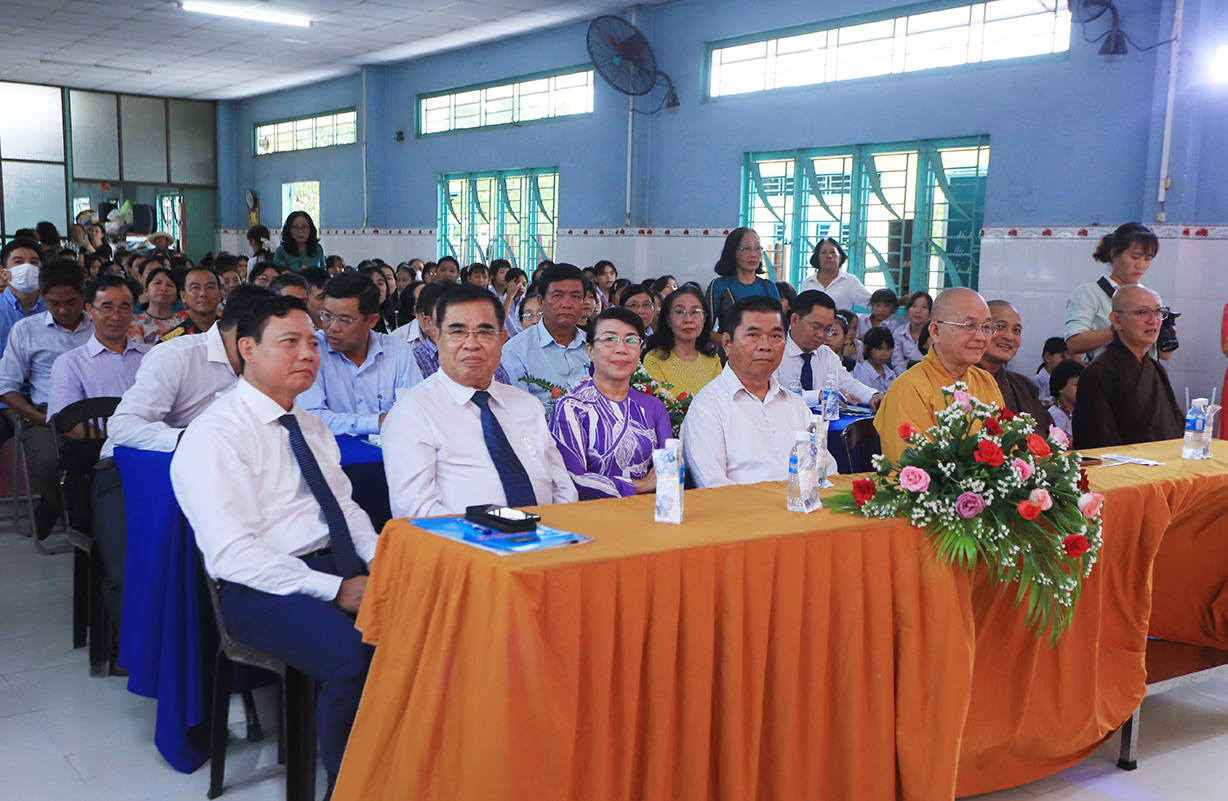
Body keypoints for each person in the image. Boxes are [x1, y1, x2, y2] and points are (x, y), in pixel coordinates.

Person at [171, 294, 377, 796]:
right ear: (248, 349)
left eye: (313, 343)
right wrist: (336, 590)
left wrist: (382, 561)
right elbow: (234, 554)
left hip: (335, 565)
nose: (308, 353)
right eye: (289, 342)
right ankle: (349, 787)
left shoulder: (310, 425)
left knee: (433, 626)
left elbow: (345, 508)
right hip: (262, 587)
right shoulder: (215, 435)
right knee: (355, 658)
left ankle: (411, 768)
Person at [382, 283, 577, 517]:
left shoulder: (527, 405)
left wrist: (554, 529)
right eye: (457, 332)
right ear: (436, 336)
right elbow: (416, 510)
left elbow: (563, 488)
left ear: (502, 339)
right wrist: (504, 533)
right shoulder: (412, 414)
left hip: (550, 532)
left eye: (484, 332)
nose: (471, 344)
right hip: (463, 538)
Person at [684, 296, 837, 487]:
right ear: (727, 344)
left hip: (804, 504)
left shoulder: (795, 404)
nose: (765, 346)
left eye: (775, 336)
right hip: (745, 505)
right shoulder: (708, 407)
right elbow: (713, 487)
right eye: (753, 335)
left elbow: (827, 473)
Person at [0, 259, 95, 539]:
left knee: (106, 458)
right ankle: (79, 520)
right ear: (42, 295)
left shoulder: (99, 326)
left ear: (84, 295)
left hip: (95, 413)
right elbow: (5, 386)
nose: (63, 310)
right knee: (50, 465)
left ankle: (56, 506)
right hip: (45, 415)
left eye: (71, 303)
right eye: (54, 303)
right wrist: (38, 417)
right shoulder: (27, 330)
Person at [549, 308, 671, 500]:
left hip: (648, 510)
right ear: (590, 350)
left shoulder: (654, 407)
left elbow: (668, 471)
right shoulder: (572, 406)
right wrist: (641, 485)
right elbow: (572, 478)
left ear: (640, 350)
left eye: (631, 340)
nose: (621, 349)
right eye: (610, 339)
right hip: (592, 512)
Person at [875, 287, 1005, 461]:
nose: (981, 337)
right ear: (936, 331)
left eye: (987, 327)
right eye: (969, 326)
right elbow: (912, 463)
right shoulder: (909, 387)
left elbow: (1005, 449)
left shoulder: (986, 381)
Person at [299, 272, 422, 437]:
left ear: (371, 321)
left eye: (345, 320)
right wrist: (377, 422)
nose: (333, 327)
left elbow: (416, 409)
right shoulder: (312, 350)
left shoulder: (397, 350)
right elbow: (309, 418)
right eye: (327, 316)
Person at [1072, 284, 1183, 449]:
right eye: (1142, 312)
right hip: (1125, 464)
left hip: (1164, 463)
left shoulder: (1156, 369)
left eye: (1158, 312)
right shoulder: (1100, 371)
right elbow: (1096, 439)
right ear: (1116, 320)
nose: (1153, 320)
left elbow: (1174, 426)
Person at [1065, 222, 1166, 363]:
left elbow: (1164, 355)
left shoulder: (1152, 297)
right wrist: (1120, 327)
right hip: (1105, 374)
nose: (1141, 265)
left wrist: (1165, 333)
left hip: (1145, 374)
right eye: (1135, 257)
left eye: (1147, 259)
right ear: (1114, 255)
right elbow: (1074, 344)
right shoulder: (1090, 293)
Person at [774, 290, 884, 410]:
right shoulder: (773, 352)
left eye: (828, 330)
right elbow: (774, 395)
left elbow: (848, 384)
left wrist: (873, 395)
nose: (822, 335)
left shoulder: (826, 354)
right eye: (815, 327)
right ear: (794, 320)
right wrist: (819, 396)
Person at [501, 264, 592, 403]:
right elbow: (516, 409)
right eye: (557, 296)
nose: (567, 304)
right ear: (541, 301)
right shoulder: (516, 351)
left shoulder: (595, 347)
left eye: (575, 296)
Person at [977, 300, 1054, 436]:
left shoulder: (1025, 386)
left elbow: (1048, 436)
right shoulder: (958, 382)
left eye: (1016, 330)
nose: (1009, 337)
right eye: (1000, 326)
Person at [643, 286, 723, 397]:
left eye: (695, 312)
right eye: (680, 312)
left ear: (704, 318)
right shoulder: (654, 360)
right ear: (668, 319)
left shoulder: (713, 360)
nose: (688, 319)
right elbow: (657, 404)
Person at [704, 227, 780, 329]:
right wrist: (728, 338)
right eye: (746, 248)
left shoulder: (769, 287)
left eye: (757, 248)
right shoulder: (720, 285)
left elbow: (779, 326)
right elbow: (704, 329)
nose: (753, 254)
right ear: (732, 252)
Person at [0, 238, 48, 356]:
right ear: (4, 273)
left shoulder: (53, 310)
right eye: (19, 262)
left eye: (34, 262)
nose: (27, 267)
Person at [799, 237, 872, 312]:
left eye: (833, 252)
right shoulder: (807, 283)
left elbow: (871, 303)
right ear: (817, 258)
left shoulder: (850, 281)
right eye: (824, 252)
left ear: (840, 257)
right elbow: (801, 309)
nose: (829, 256)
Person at [158, 267, 222, 342]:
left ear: (220, 295)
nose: (203, 294)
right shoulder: (171, 341)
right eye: (195, 288)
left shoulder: (232, 333)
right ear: (183, 296)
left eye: (210, 287)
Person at [128, 267, 186, 344]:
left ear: (176, 295)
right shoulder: (133, 321)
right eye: (157, 283)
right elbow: (138, 349)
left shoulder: (184, 321)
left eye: (170, 285)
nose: (163, 288)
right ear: (146, 291)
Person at [892, 291, 932, 372]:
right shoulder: (899, 333)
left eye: (924, 307)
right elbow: (897, 363)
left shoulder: (934, 334)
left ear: (930, 313)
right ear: (907, 311)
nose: (918, 311)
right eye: (914, 306)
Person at [852, 326, 898, 394]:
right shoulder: (859, 372)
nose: (884, 354)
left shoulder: (891, 374)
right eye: (879, 349)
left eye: (888, 349)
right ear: (866, 348)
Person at [1047, 359, 1082, 439]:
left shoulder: (1083, 411)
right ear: (1061, 387)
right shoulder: (1054, 414)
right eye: (1077, 385)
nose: (1082, 388)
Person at [1032, 336, 1070, 401]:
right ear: (1048, 357)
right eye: (1063, 357)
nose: (1067, 361)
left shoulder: (1068, 381)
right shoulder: (1036, 381)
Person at [501, 268, 529, 337]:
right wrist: (510, 296)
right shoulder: (499, 301)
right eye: (516, 283)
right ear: (506, 283)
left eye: (524, 284)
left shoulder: (526, 303)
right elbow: (501, 319)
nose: (521, 287)